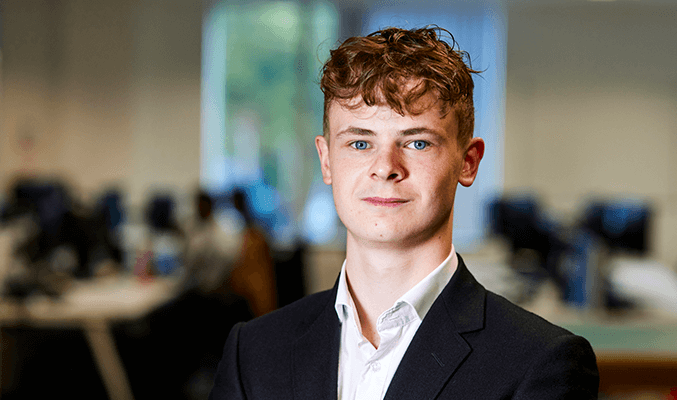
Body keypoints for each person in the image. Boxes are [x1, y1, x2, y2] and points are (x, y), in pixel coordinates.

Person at [210, 26, 599, 399]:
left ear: (468, 162)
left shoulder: (539, 363)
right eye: (360, 143)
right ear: (326, 161)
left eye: (416, 143)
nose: (385, 166)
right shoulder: (253, 351)